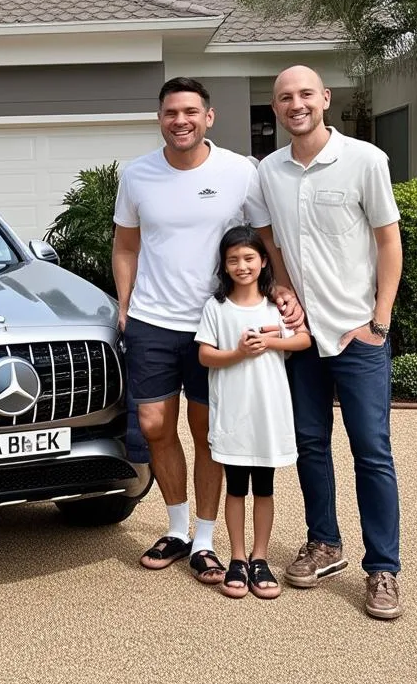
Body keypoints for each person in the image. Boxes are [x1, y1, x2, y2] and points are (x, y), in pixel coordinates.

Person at [112, 77, 303, 583]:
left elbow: (265, 239)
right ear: (160, 118)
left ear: (208, 117)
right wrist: (125, 304)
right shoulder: (137, 176)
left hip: (215, 320)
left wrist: (281, 287)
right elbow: (126, 246)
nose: (181, 120)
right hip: (153, 320)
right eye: (172, 112)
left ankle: (203, 539)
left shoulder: (240, 171)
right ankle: (176, 528)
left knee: (208, 434)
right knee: (154, 424)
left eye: (191, 111)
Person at [251, 65, 404, 620]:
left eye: (305, 94)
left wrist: (379, 322)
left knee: (372, 452)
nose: (296, 104)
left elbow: (389, 242)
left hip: (358, 336)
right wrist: (283, 286)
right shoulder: (268, 172)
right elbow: (267, 237)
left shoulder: (365, 160)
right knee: (310, 444)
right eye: (285, 97)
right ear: (275, 108)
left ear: (325, 99)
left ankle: (383, 569)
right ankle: (325, 543)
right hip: (304, 338)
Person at [195, 225, 312, 599]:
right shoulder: (216, 307)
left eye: (249, 258)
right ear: (224, 266)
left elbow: (304, 339)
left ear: (263, 262)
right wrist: (239, 352)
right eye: (233, 260)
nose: (242, 266)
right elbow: (205, 355)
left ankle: (260, 558)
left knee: (264, 488)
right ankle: (238, 558)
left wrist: (272, 341)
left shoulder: (275, 306)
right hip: (233, 415)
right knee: (235, 488)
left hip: (267, 414)